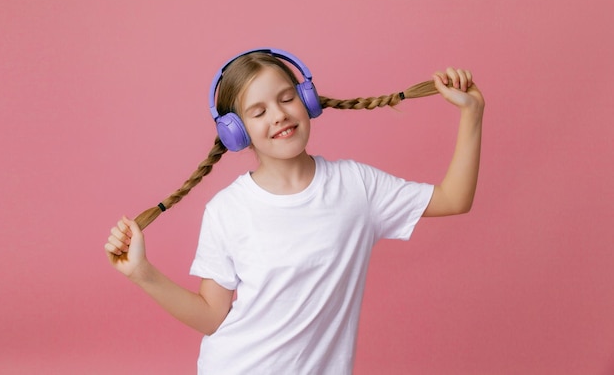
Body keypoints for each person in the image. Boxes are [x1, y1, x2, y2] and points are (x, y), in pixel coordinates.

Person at [104, 48, 484, 374]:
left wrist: (472, 113)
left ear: (308, 99)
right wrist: (142, 273)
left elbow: (454, 198)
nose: (279, 115)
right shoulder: (227, 210)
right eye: (258, 111)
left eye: (287, 98)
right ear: (236, 132)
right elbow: (211, 316)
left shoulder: (357, 187)